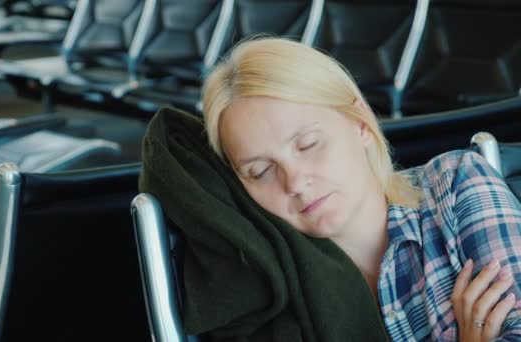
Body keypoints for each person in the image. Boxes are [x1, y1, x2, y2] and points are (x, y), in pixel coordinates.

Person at [201, 37, 521, 341]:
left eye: (309, 144)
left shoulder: (454, 184)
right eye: (261, 171)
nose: (295, 182)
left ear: (361, 123)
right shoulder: (267, 287)